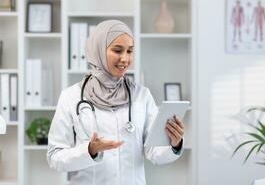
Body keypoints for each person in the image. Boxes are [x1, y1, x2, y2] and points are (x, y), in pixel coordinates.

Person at [47, 20, 185, 185]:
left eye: (130, 51)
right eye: (118, 50)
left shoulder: (141, 95)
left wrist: (174, 144)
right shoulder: (72, 96)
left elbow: (153, 152)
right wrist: (90, 150)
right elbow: (55, 157)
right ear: (97, 50)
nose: (125, 59)